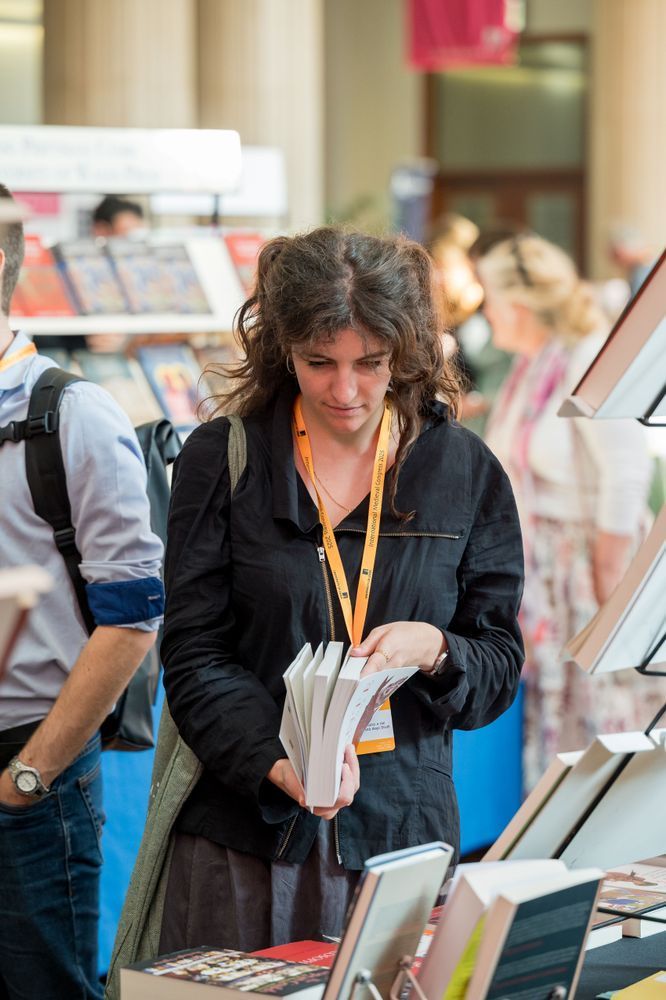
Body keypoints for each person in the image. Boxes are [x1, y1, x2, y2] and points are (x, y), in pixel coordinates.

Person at [157, 226, 525, 954]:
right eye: (318, 362)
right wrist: (275, 758)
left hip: (401, 835)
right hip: (249, 834)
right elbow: (194, 654)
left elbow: (497, 664)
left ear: (408, 353)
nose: (345, 390)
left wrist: (436, 648)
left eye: (372, 364)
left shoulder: (462, 470)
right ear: (282, 350)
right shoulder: (224, 460)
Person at [0, 183, 165, 1000]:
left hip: (33, 761)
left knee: (43, 985)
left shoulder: (72, 413)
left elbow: (133, 618)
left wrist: (32, 773)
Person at [477, 234, 656, 791]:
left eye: (488, 297)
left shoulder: (586, 355)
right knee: (562, 723)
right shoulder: (534, 364)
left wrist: (608, 581)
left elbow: (627, 474)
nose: (484, 310)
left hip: (591, 567)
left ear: (517, 306)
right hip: (549, 567)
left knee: (600, 720)